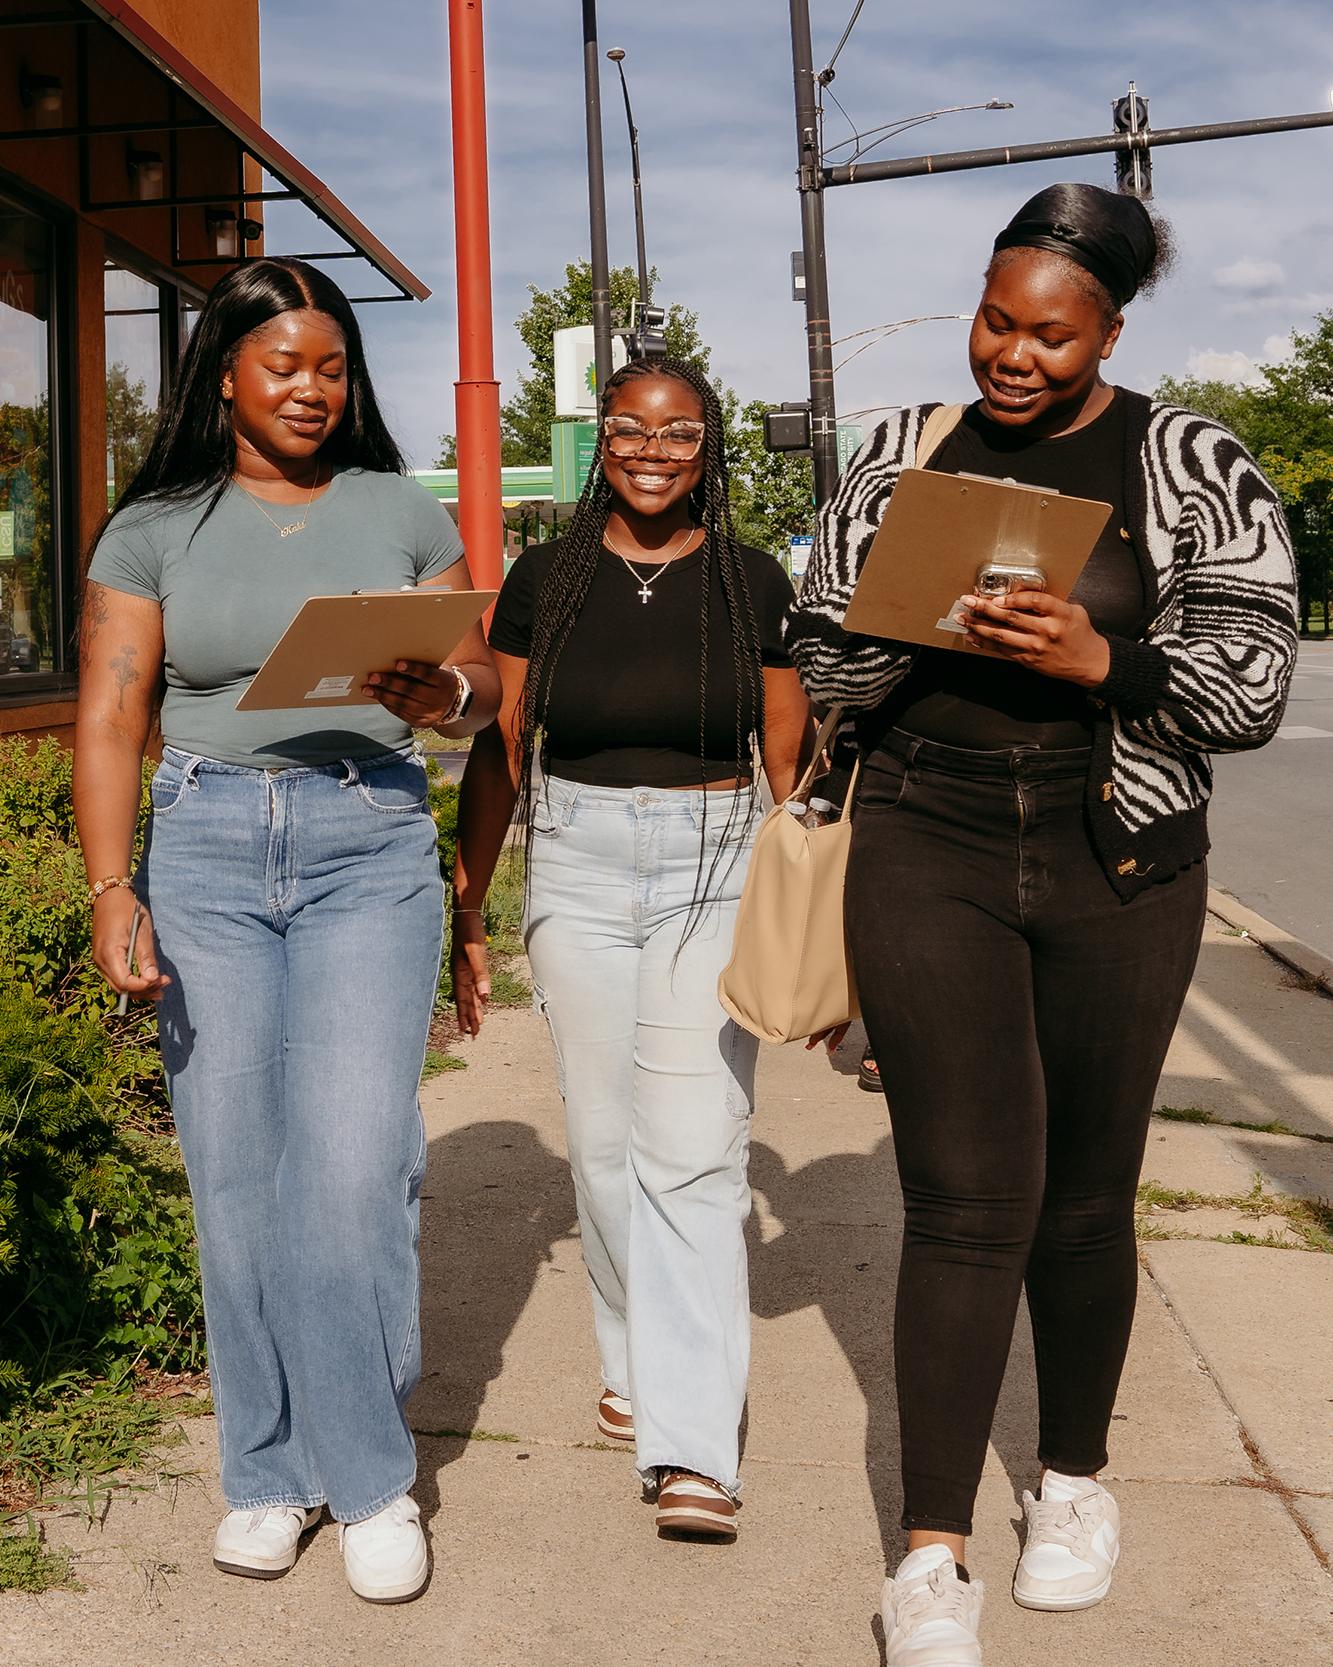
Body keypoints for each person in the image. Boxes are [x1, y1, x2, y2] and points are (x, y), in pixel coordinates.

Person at [785, 184, 1297, 1664]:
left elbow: (1251, 682)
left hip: (1115, 854)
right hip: (925, 836)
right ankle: (931, 1549)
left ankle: (1071, 1479)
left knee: (1084, 1192)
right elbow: (813, 637)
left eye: (1051, 335)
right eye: (997, 321)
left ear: (1110, 332)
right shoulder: (901, 450)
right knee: (959, 1198)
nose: (1013, 354)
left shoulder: (1188, 456)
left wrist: (1099, 654)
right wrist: (901, 621)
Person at [73, 258, 500, 1604]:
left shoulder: (396, 506)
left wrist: (445, 692)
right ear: (226, 374)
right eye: (284, 366)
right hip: (201, 843)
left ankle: (370, 1475)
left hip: (367, 839)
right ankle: (267, 1468)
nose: (313, 388)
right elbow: (108, 712)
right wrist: (109, 884)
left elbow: (485, 693)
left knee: (357, 1159)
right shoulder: (154, 525)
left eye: (331, 366)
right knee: (237, 1172)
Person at [450, 356, 812, 1540]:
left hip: (714, 858)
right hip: (577, 855)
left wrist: (805, 912)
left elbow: (788, 769)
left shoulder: (753, 582)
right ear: (600, 438)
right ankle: (632, 1356)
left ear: (709, 450)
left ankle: (695, 1446)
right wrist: (468, 903)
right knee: (604, 1147)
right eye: (631, 429)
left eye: (681, 433)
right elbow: (500, 750)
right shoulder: (542, 581)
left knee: (696, 1150)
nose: (654, 450)